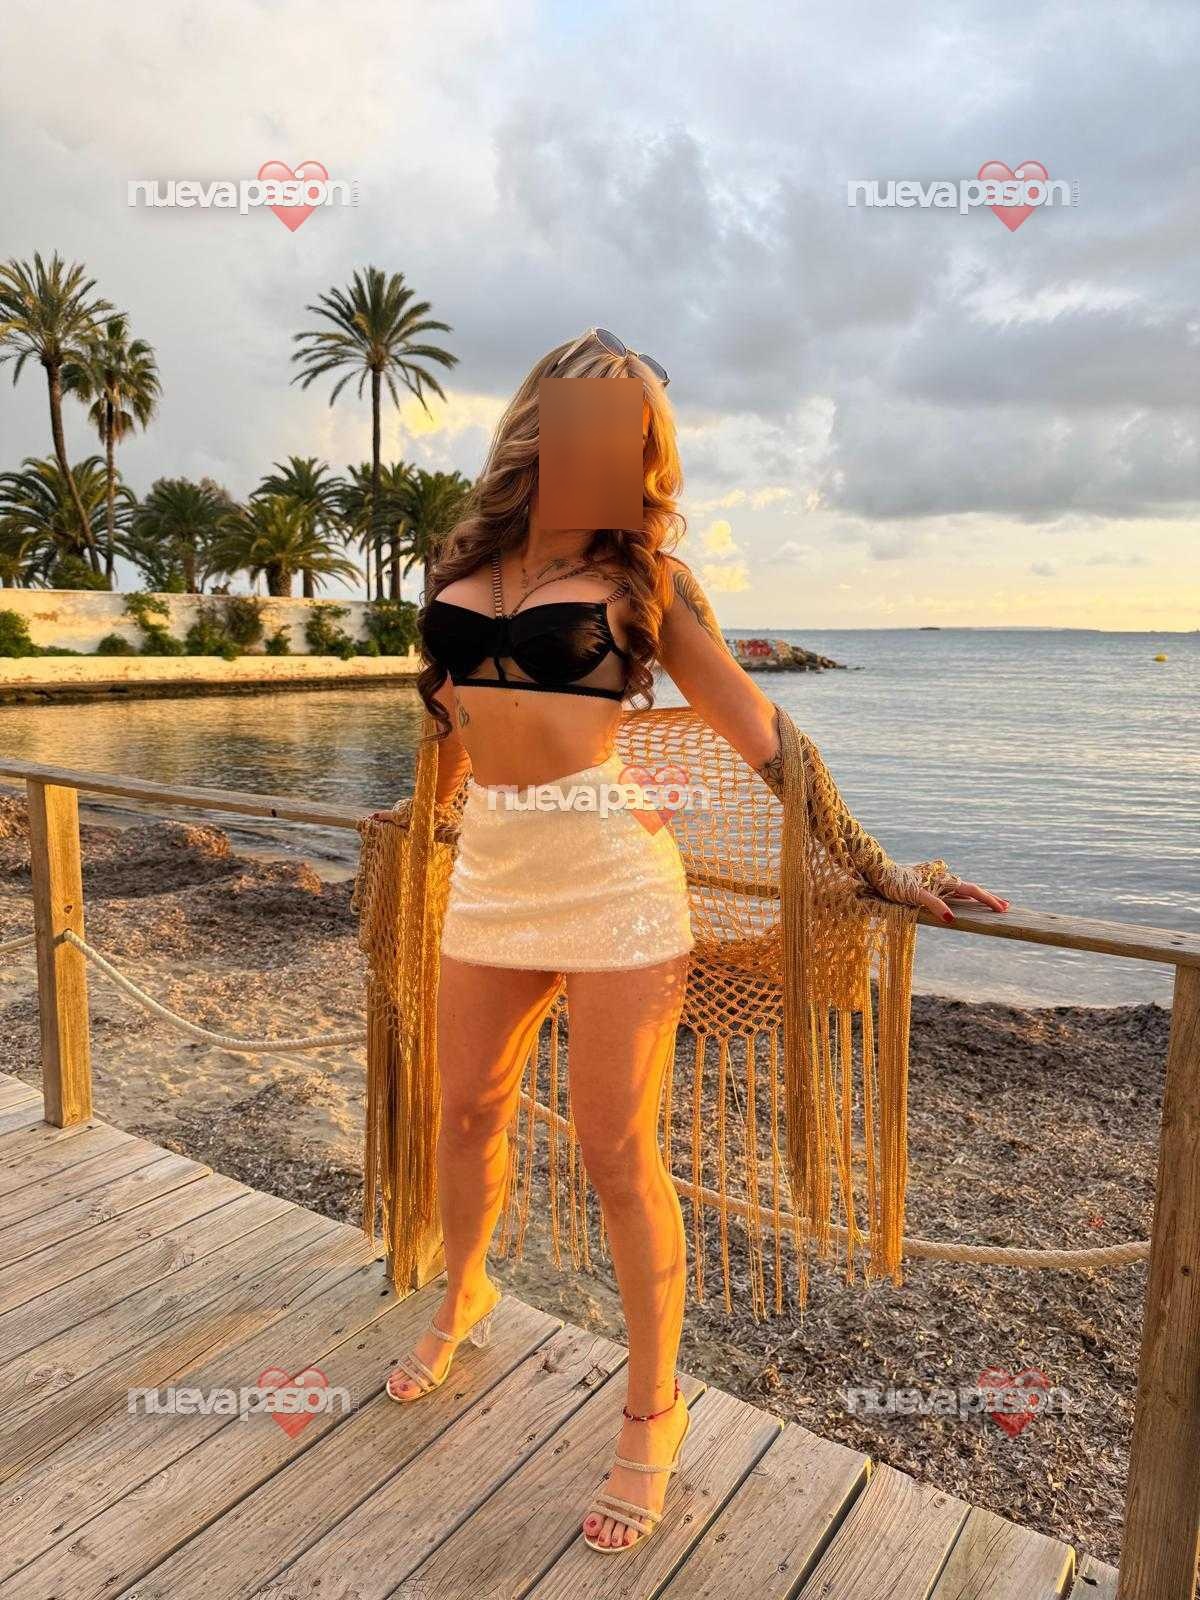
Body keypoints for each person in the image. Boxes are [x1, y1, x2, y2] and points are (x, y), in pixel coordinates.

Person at [370, 326, 1008, 1554]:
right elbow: (449, 717)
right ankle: (466, 1289)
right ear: (540, 423)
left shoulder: (642, 583)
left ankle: (651, 1410)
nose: (611, 448)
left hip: (615, 881)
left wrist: (870, 862)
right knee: (465, 1111)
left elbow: (762, 730)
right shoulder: (463, 560)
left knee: (616, 1151)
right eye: (590, 420)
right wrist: (426, 817)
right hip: (492, 874)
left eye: (636, 432)